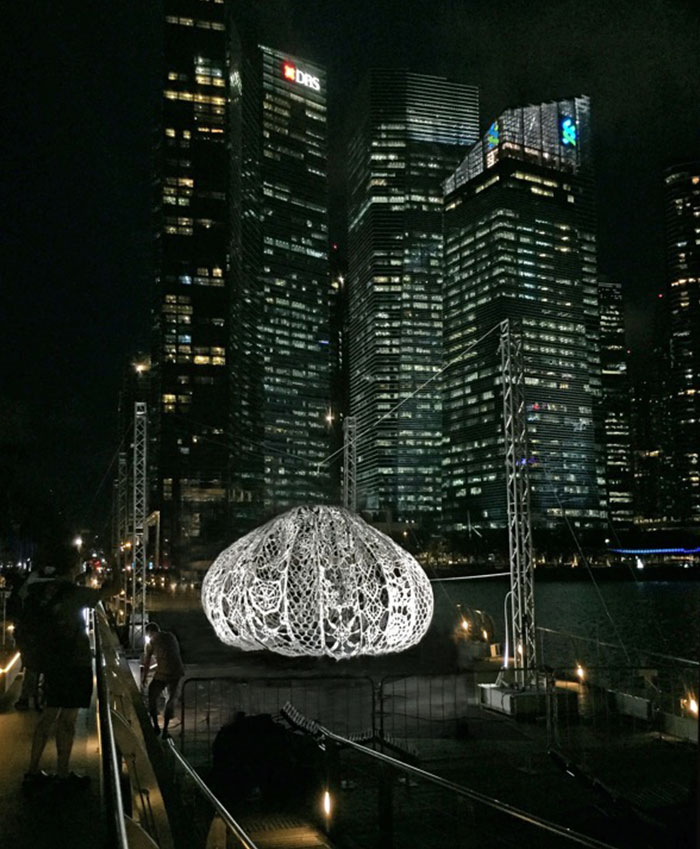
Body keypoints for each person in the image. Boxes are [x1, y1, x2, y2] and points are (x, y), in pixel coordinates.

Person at [23, 545, 121, 789]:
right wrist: (117, 564)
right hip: (74, 662)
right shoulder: (74, 594)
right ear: (72, 567)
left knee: (48, 717)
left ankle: (32, 771)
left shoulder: (42, 590)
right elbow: (114, 589)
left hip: (51, 662)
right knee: (67, 720)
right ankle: (62, 774)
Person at [141, 622, 184, 739]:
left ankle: (156, 727)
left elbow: (147, 662)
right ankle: (165, 731)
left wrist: (144, 678)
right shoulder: (170, 636)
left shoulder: (151, 642)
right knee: (170, 700)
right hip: (177, 672)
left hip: (163, 673)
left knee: (152, 695)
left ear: (149, 633)